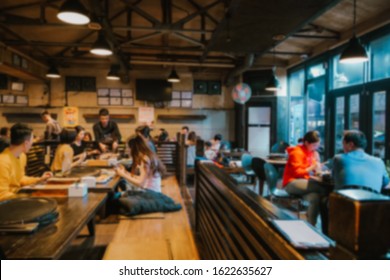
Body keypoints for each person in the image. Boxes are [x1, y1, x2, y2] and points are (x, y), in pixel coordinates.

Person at [282, 130, 328, 226]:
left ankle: (312, 225)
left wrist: (318, 169)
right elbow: (297, 173)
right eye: (314, 145)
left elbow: (311, 169)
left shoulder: (310, 152)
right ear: (307, 143)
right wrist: (312, 167)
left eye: (317, 145)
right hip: (291, 183)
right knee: (324, 188)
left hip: (303, 181)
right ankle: (327, 224)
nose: (316, 148)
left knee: (315, 197)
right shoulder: (297, 152)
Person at [0, 123, 52, 200]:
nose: (32, 143)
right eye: (32, 140)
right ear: (26, 143)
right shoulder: (2, 161)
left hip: (16, 196)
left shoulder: (22, 156)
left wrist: (39, 179)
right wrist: (28, 198)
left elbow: (20, 179)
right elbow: (2, 195)